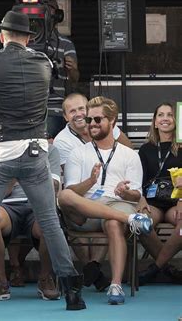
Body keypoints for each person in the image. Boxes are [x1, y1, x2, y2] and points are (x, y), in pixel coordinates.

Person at [0, 10, 85, 312]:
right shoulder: (44, 63)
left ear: (2, 36)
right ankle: (73, 292)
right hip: (35, 151)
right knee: (50, 221)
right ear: (28, 38)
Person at [58, 96, 154, 305]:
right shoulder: (78, 153)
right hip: (86, 210)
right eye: (89, 120)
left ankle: (115, 284)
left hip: (115, 203)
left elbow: (136, 194)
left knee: (112, 223)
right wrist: (90, 181)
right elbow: (72, 190)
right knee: (64, 196)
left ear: (112, 122)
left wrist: (124, 193)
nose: (91, 124)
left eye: (97, 120)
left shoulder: (130, 155)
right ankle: (131, 219)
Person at [53, 92, 133, 291]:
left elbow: (130, 150)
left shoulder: (103, 123)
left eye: (82, 109)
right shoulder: (62, 141)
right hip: (79, 197)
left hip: (110, 195)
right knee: (75, 210)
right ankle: (93, 267)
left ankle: (93, 267)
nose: (79, 114)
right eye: (72, 111)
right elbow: (72, 181)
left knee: (108, 212)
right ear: (65, 117)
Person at [0, 144, 62, 302]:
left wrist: (27, 173)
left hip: (38, 205)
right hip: (8, 204)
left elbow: (54, 186)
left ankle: (45, 279)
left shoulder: (49, 150)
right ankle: (1, 281)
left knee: (49, 222)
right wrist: (12, 177)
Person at [18, 0, 79, 139]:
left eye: (48, 8)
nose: (44, 12)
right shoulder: (23, 43)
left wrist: (72, 69)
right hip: (26, 109)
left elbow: (75, 80)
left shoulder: (66, 44)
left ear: (57, 15)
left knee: (42, 133)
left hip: (54, 109)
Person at [137, 102, 182, 284]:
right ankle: (168, 268)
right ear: (155, 122)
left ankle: (155, 268)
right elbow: (137, 180)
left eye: (170, 115)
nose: (165, 119)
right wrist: (140, 199)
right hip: (152, 202)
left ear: (176, 120)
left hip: (176, 202)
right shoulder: (145, 149)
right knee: (140, 224)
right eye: (161, 115)